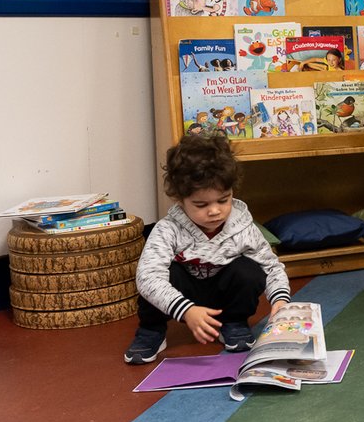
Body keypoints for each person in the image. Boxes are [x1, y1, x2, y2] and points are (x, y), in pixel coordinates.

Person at [123, 133, 291, 364]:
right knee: (161, 276)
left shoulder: (242, 227)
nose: (215, 211)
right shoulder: (168, 229)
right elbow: (147, 278)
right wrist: (186, 310)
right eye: (201, 205)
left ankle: (233, 322)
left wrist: (280, 301)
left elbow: (271, 268)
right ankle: (152, 330)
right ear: (179, 200)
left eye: (223, 200)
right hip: (183, 296)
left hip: (222, 295)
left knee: (249, 271)